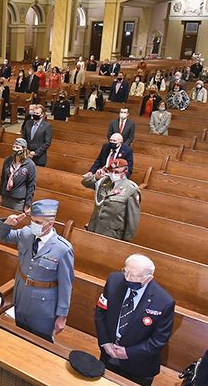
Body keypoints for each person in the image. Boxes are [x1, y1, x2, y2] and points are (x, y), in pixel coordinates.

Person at [0, 199, 74, 343]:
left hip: (43, 307)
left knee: (41, 343)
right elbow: (3, 237)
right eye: (32, 220)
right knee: (20, 336)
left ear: (50, 224)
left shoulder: (63, 249)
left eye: (38, 222)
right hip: (21, 298)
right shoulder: (26, 233)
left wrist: (62, 316)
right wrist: (7, 224)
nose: (33, 225)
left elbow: (66, 286)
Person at [95, 254, 175, 385]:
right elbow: (100, 312)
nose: (127, 278)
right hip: (108, 354)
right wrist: (105, 342)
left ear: (148, 278)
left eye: (134, 276)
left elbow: (159, 340)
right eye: (125, 272)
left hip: (138, 366)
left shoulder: (164, 302)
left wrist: (128, 353)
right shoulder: (114, 280)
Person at [82, 158, 140, 241]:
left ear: (125, 172)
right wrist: (96, 177)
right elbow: (85, 183)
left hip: (111, 235)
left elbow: (132, 221)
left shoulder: (131, 189)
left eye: (116, 172)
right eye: (111, 171)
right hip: (93, 228)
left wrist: (126, 242)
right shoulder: (105, 182)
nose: (113, 174)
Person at [0, 138, 36, 212]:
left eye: (17, 147)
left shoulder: (29, 165)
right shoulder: (7, 160)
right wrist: (1, 195)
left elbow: (31, 185)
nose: (15, 149)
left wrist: (28, 204)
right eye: (14, 147)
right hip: (6, 197)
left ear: (24, 149)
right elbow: (3, 179)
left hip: (18, 201)